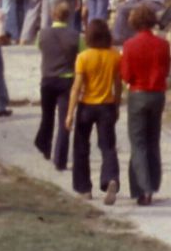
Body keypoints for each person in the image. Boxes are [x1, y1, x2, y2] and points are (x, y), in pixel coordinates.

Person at [65, 19, 122, 204]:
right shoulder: (114, 55)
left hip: (86, 105)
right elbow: (118, 84)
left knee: (81, 147)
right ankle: (111, 178)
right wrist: (117, 104)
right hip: (107, 105)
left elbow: (76, 87)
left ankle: (84, 188)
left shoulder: (83, 57)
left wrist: (69, 113)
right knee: (108, 146)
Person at [120, 5, 171, 204]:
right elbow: (166, 70)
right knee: (152, 140)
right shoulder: (163, 44)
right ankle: (153, 182)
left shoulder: (130, 45)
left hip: (138, 93)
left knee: (138, 142)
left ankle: (143, 188)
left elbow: (126, 75)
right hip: (157, 93)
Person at [35, 2, 81, 171]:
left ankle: (44, 145)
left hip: (47, 78)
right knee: (65, 120)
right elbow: (81, 55)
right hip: (66, 80)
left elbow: (39, 48)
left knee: (47, 116)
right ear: (68, 17)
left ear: (53, 15)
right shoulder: (76, 36)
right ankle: (60, 160)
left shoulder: (42, 34)